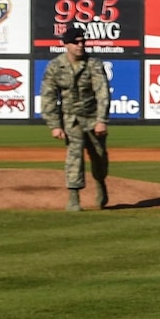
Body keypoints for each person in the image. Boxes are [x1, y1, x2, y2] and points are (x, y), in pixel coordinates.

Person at [41, 25, 111, 211]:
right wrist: (54, 125)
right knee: (75, 155)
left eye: (82, 42)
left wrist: (101, 120)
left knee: (99, 156)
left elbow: (102, 91)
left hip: (93, 116)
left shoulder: (93, 64)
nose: (80, 45)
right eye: (76, 42)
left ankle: (101, 183)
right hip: (71, 119)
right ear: (66, 44)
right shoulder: (55, 66)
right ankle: (74, 196)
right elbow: (48, 96)